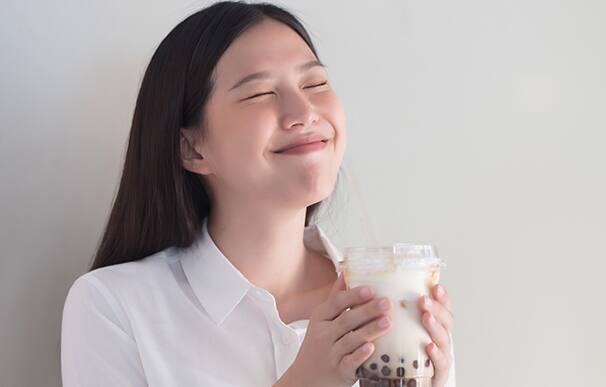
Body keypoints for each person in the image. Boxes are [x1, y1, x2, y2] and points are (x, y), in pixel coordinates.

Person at [60, 2, 456, 386]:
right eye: (259, 94)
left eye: (315, 83)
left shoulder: (395, 302)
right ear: (192, 149)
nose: (303, 112)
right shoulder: (114, 306)